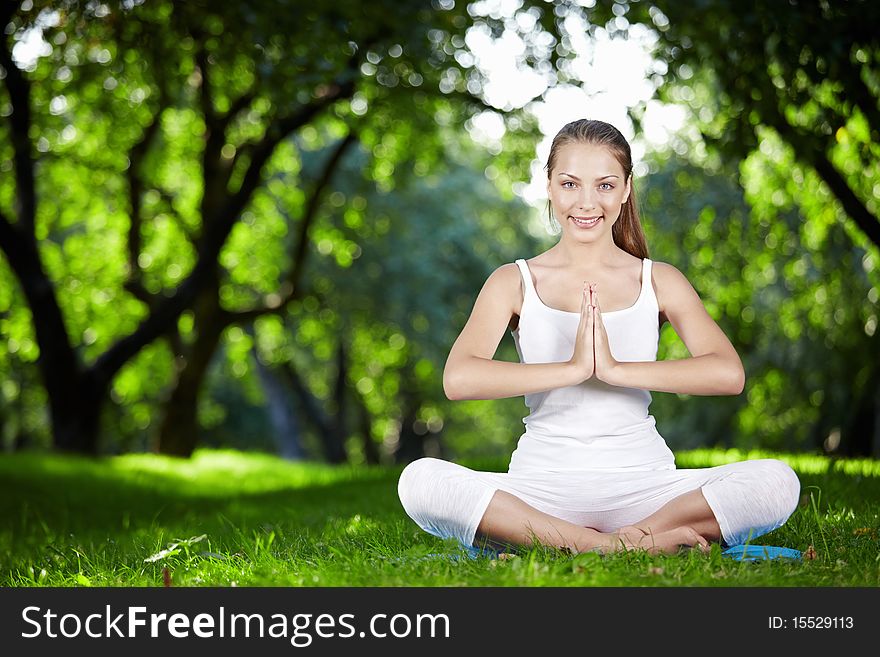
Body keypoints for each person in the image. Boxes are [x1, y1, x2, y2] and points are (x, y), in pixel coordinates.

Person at [397, 119, 800, 556]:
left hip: (647, 489)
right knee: (419, 481)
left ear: (626, 189)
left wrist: (614, 370)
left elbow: (727, 373)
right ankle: (611, 546)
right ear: (549, 185)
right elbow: (459, 378)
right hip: (540, 491)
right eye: (570, 184)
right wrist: (573, 369)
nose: (587, 202)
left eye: (605, 185)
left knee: (777, 482)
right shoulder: (513, 281)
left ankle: (618, 538)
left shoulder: (658, 279)